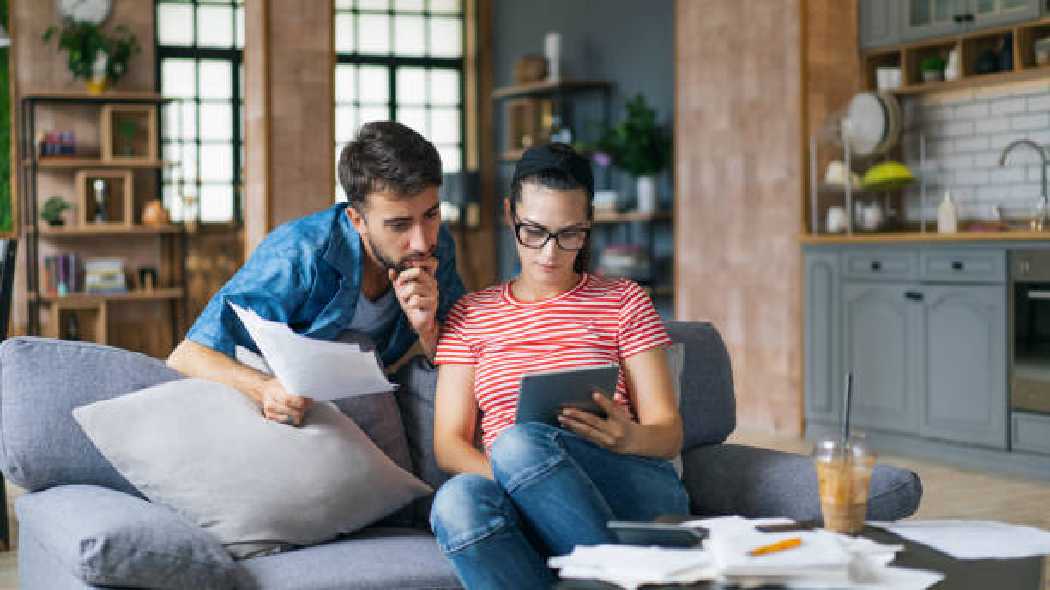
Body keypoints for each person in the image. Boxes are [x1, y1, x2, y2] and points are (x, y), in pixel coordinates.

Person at [429, 143, 688, 588]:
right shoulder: (471, 314)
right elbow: (449, 445)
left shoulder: (624, 301)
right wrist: (520, 483)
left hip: (625, 482)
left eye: (569, 234)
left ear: (588, 226)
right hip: (514, 484)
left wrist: (630, 436)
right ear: (510, 214)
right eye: (534, 231)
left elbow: (668, 433)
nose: (550, 253)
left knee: (516, 444)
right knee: (456, 501)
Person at [167, 121, 466, 426]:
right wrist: (264, 388)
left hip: (366, 389)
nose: (422, 241)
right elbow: (188, 355)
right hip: (281, 396)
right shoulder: (299, 253)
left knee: (439, 379)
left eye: (431, 215)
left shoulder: (437, 245)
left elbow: (463, 355)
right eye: (399, 225)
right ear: (357, 220)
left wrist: (428, 330)